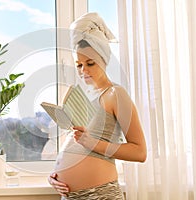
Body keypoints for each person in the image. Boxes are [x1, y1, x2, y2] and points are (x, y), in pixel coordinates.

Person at [48, 12, 147, 199]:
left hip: (100, 194)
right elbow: (75, 143)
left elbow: (140, 152)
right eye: (79, 65)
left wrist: (93, 143)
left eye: (90, 63)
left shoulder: (116, 94)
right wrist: (54, 176)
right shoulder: (81, 97)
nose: (83, 70)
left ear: (103, 60)